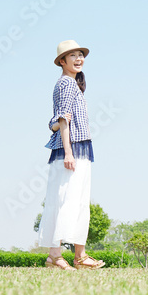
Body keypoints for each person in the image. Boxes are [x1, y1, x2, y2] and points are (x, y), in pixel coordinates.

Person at [37, 40, 106, 270]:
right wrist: (68, 151)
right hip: (72, 148)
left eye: (80, 55)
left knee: (76, 202)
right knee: (65, 200)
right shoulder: (66, 83)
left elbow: (56, 121)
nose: (78, 59)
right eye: (72, 55)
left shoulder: (72, 84)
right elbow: (63, 119)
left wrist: (55, 126)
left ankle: (79, 256)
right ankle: (56, 257)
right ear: (62, 61)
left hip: (79, 147)